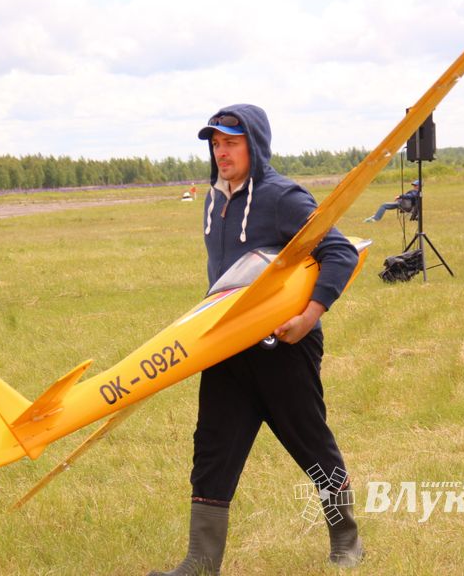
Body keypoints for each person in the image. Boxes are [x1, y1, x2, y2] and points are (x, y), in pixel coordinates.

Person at [149, 104, 364, 575]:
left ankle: (346, 538)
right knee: (212, 448)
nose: (220, 152)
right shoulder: (213, 198)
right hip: (225, 347)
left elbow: (340, 252)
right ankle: (200, 561)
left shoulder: (282, 197)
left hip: (283, 347)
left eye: (231, 142)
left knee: (311, 443)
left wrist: (309, 317)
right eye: (215, 143)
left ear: (255, 145)